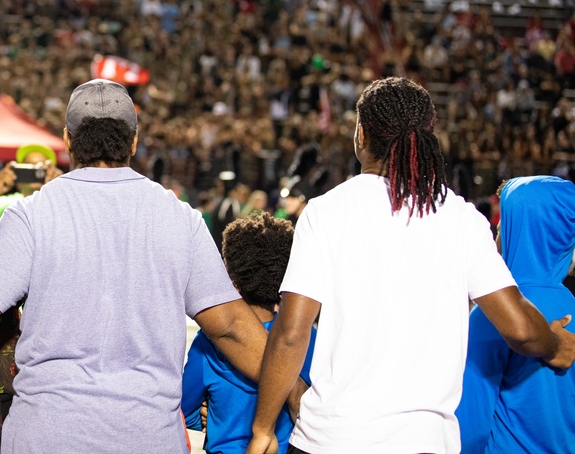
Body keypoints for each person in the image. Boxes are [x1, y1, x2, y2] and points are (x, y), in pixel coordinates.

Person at [0, 79, 275, 452]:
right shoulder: (181, 219)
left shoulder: (33, 214)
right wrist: (293, 395)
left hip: (49, 436)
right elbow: (233, 326)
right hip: (145, 438)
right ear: (134, 141)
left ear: (66, 141)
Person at [246, 77, 575, 454]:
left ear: (362, 135)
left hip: (331, 440)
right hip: (423, 443)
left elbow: (291, 333)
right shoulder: (462, 220)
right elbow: (519, 328)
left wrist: (263, 429)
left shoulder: (326, 211)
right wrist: (554, 346)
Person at [456, 176, 575, 454]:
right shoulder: (569, 303)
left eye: (501, 229)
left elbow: (470, 426)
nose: (496, 239)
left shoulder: (496, 313)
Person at [183, 212, 316, 453]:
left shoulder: (208, 341)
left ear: (232, 280)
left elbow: (184, 409)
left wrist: (211, 421)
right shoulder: (307, 338)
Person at [0, 142, 63, 222]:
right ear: (18, 173)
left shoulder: (57, 203)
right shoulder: (7, 204)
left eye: (40, 169)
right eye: (29, 167)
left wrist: (61, 188)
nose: (34, 173)